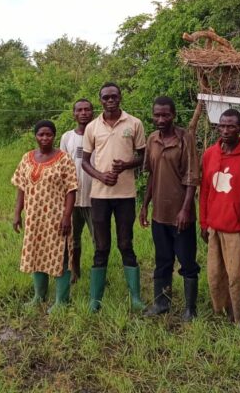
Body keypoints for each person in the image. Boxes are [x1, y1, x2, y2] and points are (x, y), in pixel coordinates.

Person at [82, 82, 147, 312]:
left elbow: (143, 157)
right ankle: (95, 299)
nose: (110, 100)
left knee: (125, 243)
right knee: (101, 246)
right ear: (100, 100)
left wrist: (126, 165)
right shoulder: (92, 127)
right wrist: (101, 176)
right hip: (99, 196)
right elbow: (84, 161)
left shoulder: (134, 123)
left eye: (114, 96)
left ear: (120, 97)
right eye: (105, 97)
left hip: (125, 194)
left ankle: (136, 298)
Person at [139, 96, 201, 321]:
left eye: (165, 114)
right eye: (157, 115)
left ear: (174, 115)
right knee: (162, 260)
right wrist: (145, 205)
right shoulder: (152, 139)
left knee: (187, 262)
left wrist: (185, 210)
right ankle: (161, 303)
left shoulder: (185, 139)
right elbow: (152, 175)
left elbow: (192, 177)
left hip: (180, 215)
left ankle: (190, 309)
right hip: (159, 214)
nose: (161, 119)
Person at [12, 120, 78, 313]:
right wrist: (17, 213)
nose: (45, 138)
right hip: (35, 218)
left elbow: (71, 190)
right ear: (35, 136)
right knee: (36, 253)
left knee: (61, 256)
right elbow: (21, 188)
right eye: (41, 134)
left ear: (54, 136)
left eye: (48, 134)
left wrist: (67, 216)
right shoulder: (27, 158)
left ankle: (61, 301)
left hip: (57, 218)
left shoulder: (64, 159)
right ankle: (39, 296)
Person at [200, 109, 240, 325]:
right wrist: (203, 222)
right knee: (215, 274)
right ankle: (221, 311)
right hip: (213, 224)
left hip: (236, 226)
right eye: (222, 125)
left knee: (235, 276)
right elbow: (205, 190)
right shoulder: (210, 154)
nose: (225, 130)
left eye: (231, 126)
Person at [59, 98, 96, 283]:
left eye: (87, 109)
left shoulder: (99, 134)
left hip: (95, 197)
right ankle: (74, 272)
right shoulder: (67, 137)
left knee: (98, 239)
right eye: (79, 110)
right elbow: (63, 168)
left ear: (93, 112)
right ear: (74, 114)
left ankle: (99, 273)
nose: (83, 113)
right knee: (72, 239)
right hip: (71, 198)